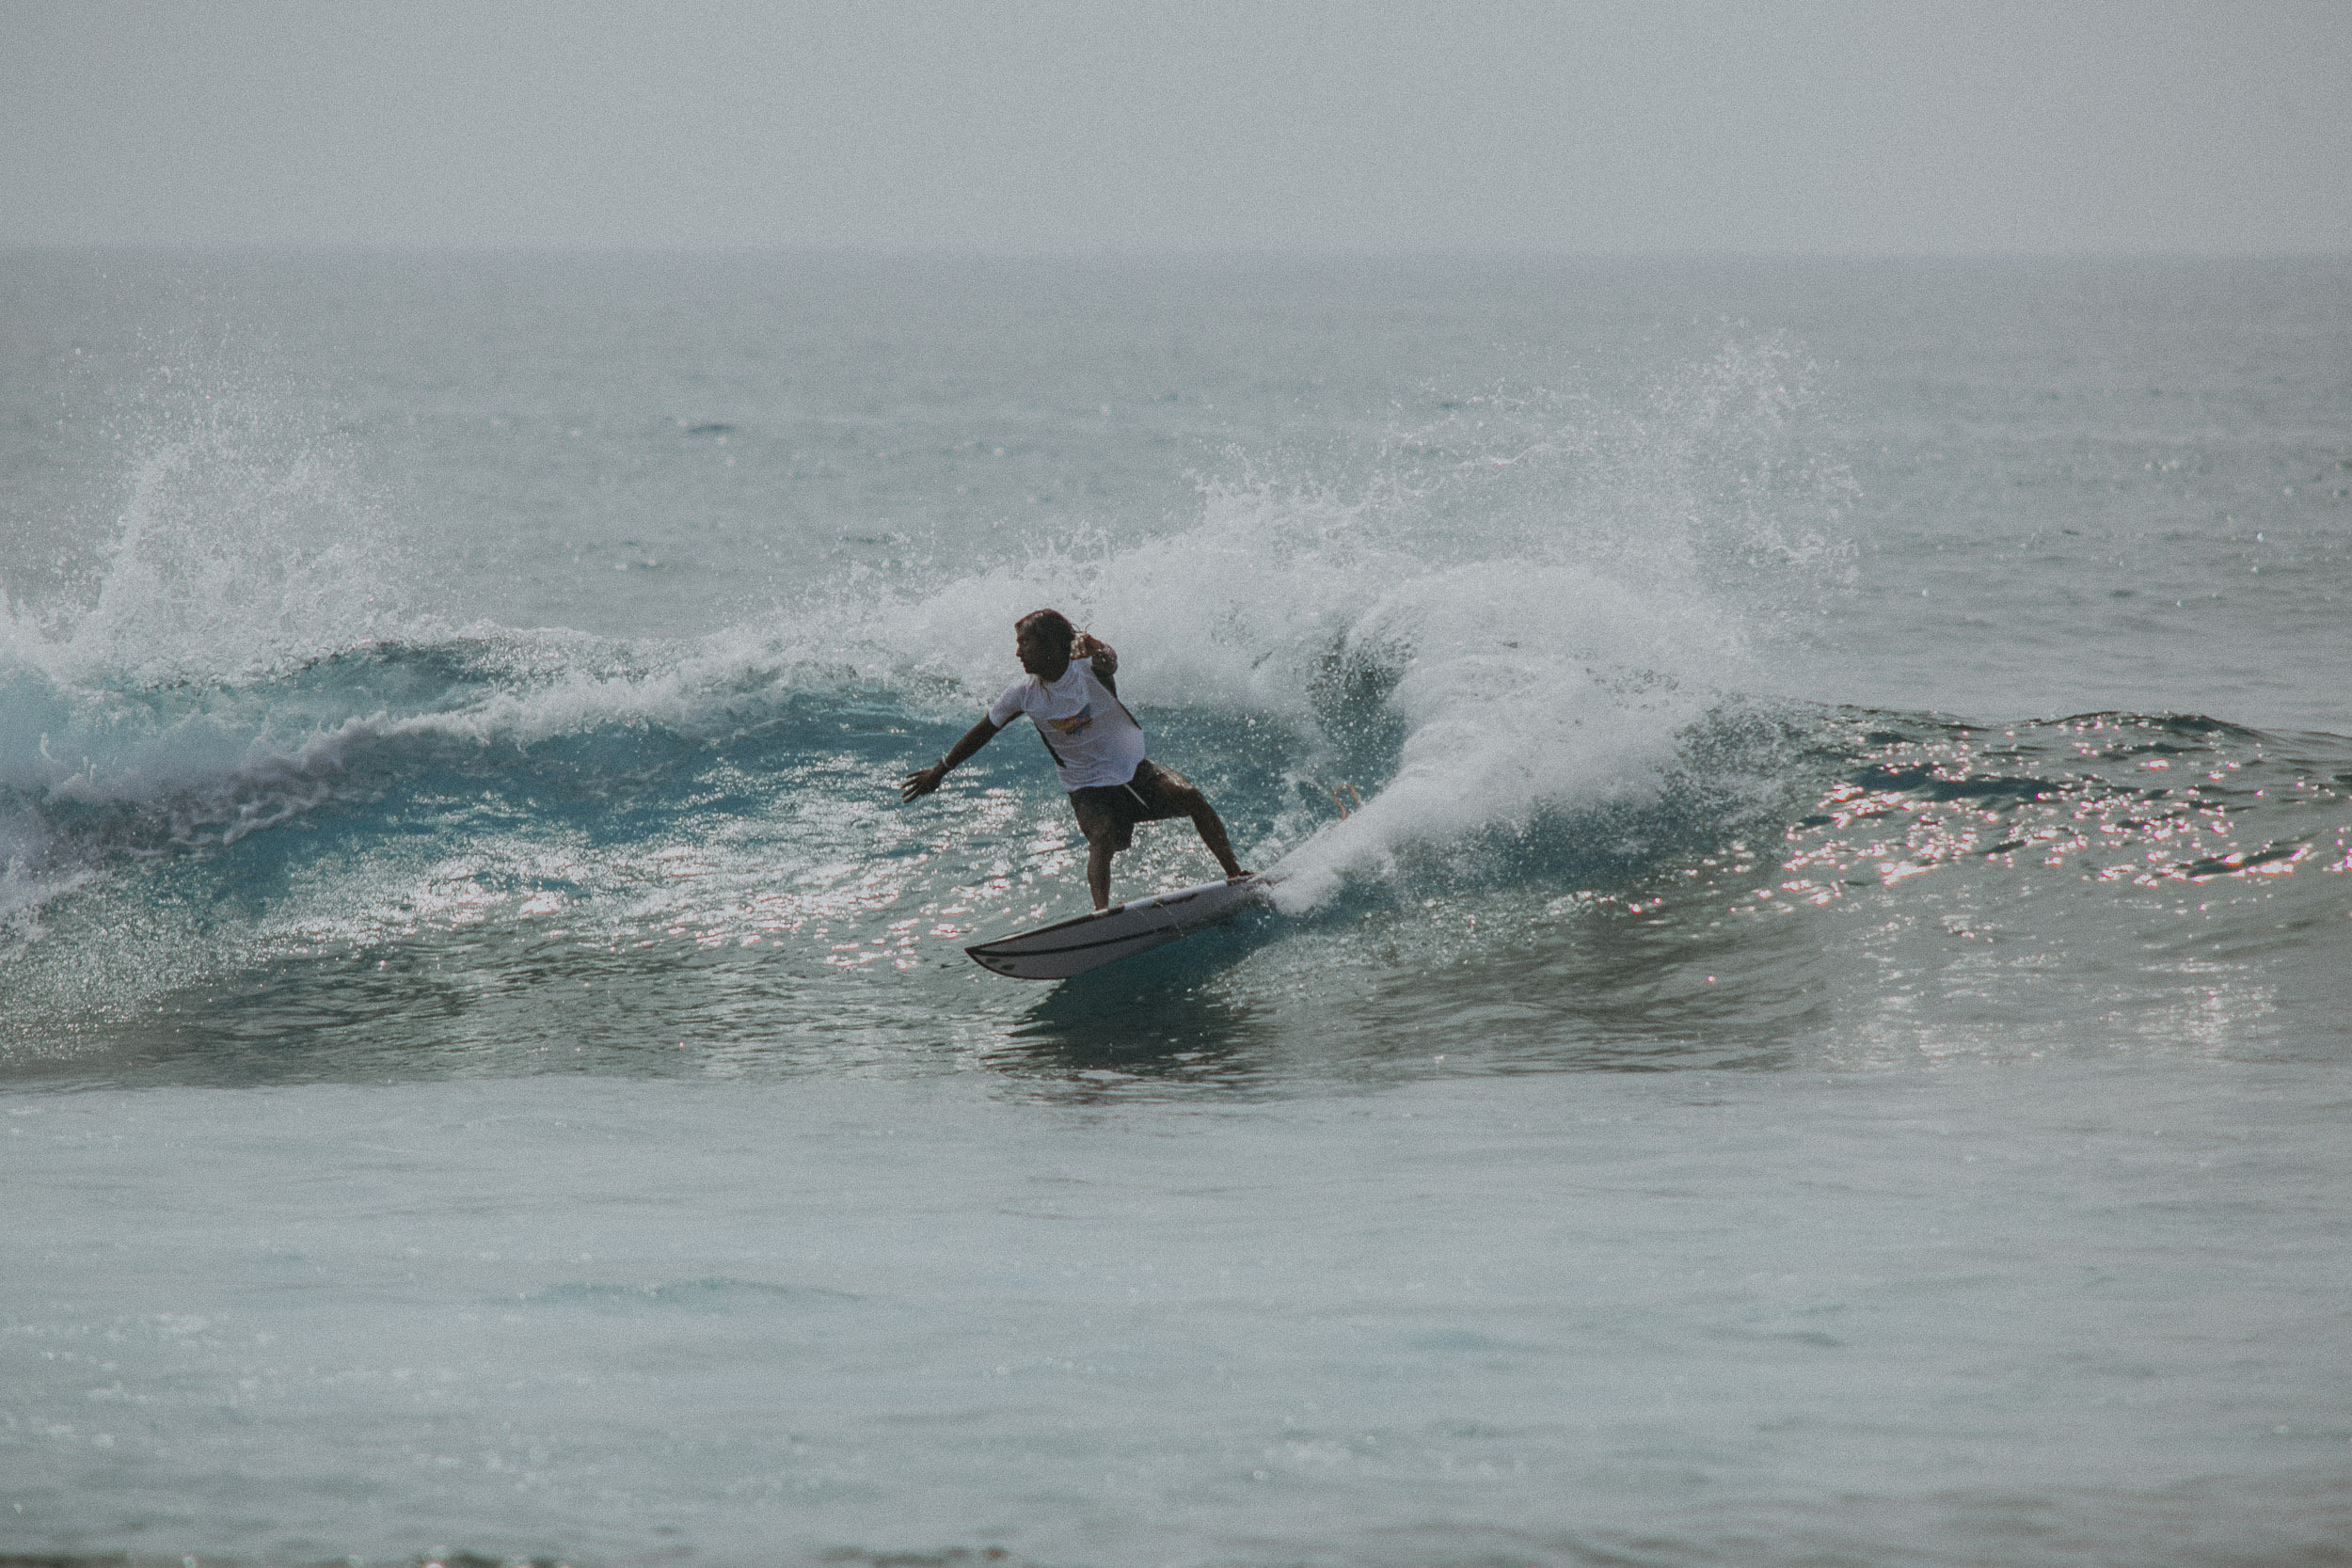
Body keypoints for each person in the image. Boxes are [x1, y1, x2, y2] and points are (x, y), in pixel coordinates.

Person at [900, 609, 1249, 911]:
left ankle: (1235, 874)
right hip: (1086, 786)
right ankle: (1102, 915)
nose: (1018, 652)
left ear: (1051, 644)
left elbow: (1109, 661)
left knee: (1190, 797)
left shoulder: (1087, 670)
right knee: (1102, 834)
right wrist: (941, 770)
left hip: (1131, 769)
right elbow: (983, 731)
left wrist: (1096, 647)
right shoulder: (1023, 695)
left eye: (1025, 643)